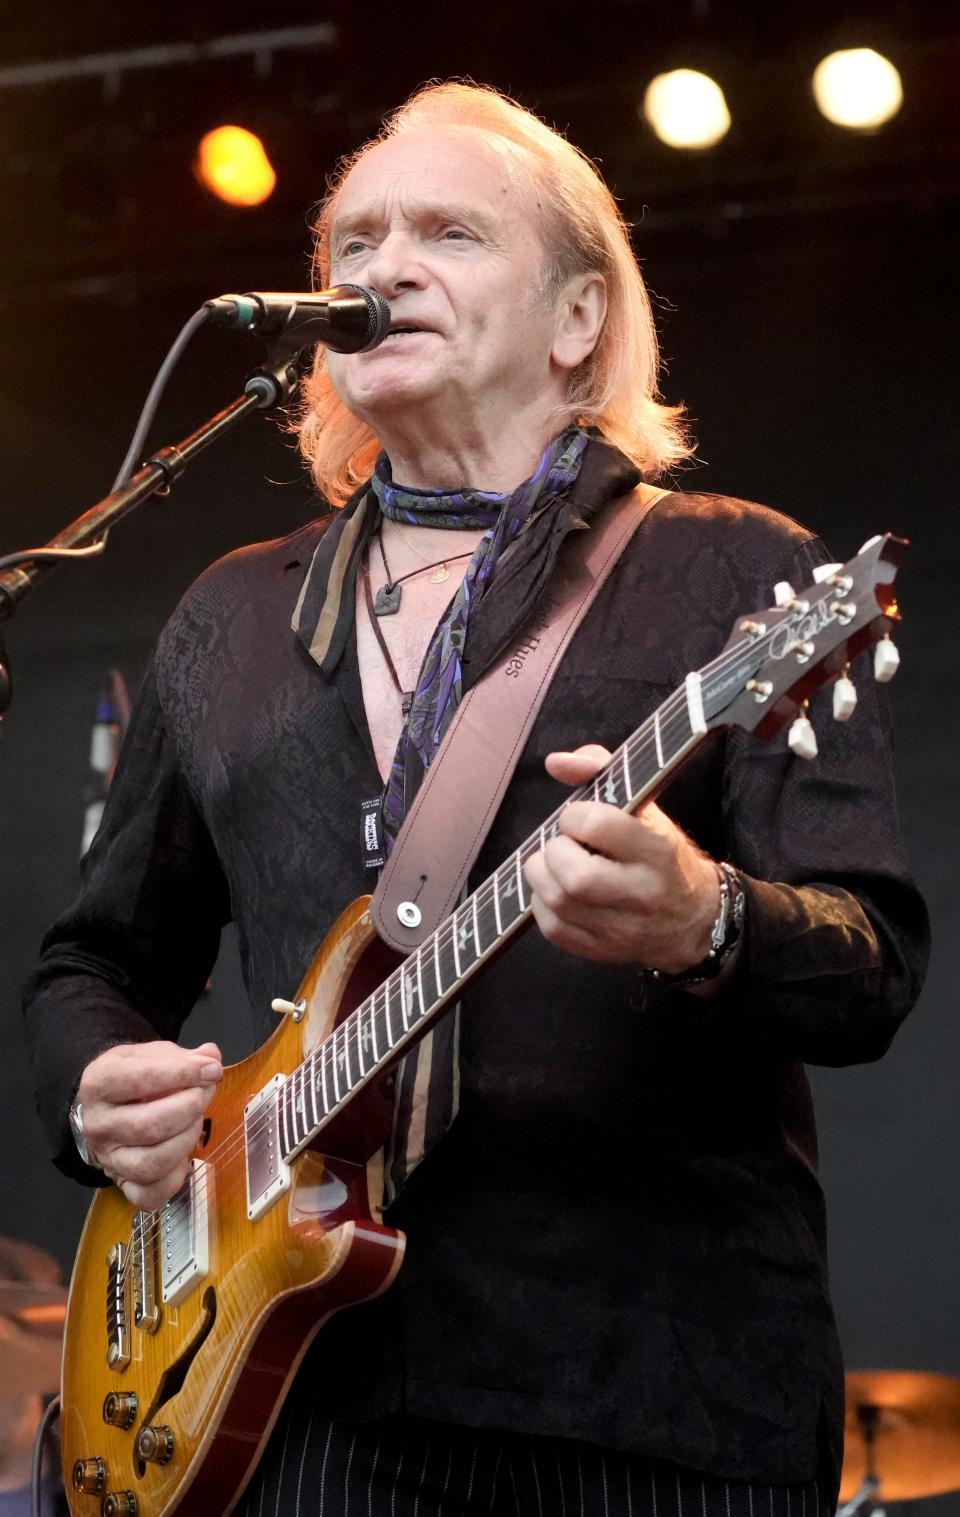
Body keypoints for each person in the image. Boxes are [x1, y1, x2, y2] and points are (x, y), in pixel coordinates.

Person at [23, 82, 928, 1515]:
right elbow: (93, 962)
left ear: (578, 319)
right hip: (296, 1406)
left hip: (649, 1400)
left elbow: (874, 963)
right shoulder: (230, 615)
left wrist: (704, 922)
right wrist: (93, 1090)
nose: (383, 269)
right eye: (356, 244)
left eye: (449, 232)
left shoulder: (734, 572)